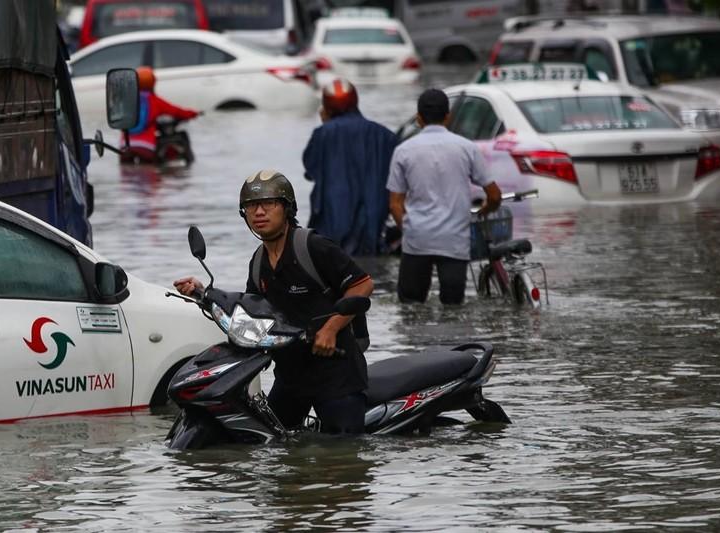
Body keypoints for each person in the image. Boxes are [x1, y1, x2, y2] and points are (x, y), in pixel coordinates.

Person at [173, 170, 374, 434]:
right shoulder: (258, 263)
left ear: (287, 208)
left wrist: (331, 328)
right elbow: (252, 309)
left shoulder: (313, 247)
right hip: (291, 374)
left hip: (336, 372)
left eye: (269, 203)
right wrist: (203, 294)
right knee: (273, 445)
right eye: (251, 206)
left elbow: (363, 284)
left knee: (343, 457)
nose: (259, 212)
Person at [386, 88, 502, 305]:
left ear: (419, 119)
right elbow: (494, 195)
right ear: (448, 117)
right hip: (454, 241)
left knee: (411, 308)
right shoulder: (467, 148)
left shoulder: (403, 151)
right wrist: (484, 211)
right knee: (453, 308)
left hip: (417, 241)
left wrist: (410, 230)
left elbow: (395, 205)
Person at [303, 78, 398, 256]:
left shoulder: (322, 134)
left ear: (326, 105)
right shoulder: (385, 136)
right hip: (374, 220)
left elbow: (310, 169)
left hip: (332, 220)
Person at [120, 66, 199, 164]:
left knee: (126, 174)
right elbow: (177, 111)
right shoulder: (155, 101)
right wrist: (194, 113)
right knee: (148, 174)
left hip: (125, 146)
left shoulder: (126, 101)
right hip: (146, 146)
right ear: (153, 83)